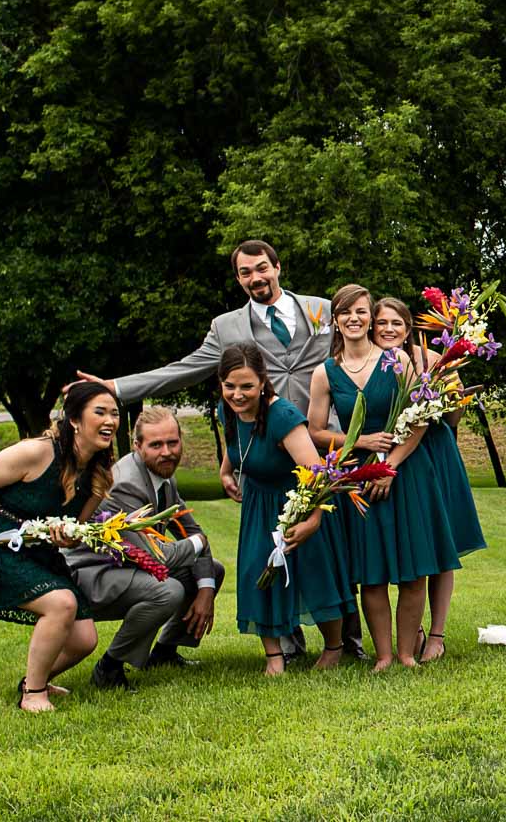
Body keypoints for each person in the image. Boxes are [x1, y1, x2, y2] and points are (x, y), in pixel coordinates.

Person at [74, 239, 363, 658]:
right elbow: (183, 371)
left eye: (261, 268)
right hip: (263, 459)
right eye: (245, 273)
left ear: (277, 267)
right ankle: (288, 644)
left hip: (319, 449)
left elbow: (363, 345)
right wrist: (116, 388)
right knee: (271, 550)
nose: (255, 278)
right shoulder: (227, 327)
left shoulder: (320, 310)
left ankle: (347, 643)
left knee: (333, 550)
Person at [307, 287, 459, 670]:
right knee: (371, 573)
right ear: (336, 321)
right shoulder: (324, 373)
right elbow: (315, 431)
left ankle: (407, 653)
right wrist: (357, 440)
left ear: (369, 317)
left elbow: (420, 419)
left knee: (413, 567)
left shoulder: (396, 360)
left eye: (361, 312)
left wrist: (388, 466)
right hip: (358, 477)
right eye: (346, 313)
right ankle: (384, 656)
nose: (354, 319)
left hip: (406, 472)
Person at [0, 382, 117, 712]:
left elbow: (77, 535)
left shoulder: (99, 476)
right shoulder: (36, 452)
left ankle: (32, 679)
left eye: (114, 413)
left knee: (85, 640)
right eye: (99, 412)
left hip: (41, 552)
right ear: (75, 419)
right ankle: (33, 695)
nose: (110, 421)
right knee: (61, 604)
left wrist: (67, 536)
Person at [218, 343, 355, 675]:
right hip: (258, 503)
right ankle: (274, 656)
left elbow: (316, 473)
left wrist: (314, 520)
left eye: (246, 386)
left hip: (300, 500)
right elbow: (236, 445)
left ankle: (334, 647)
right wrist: (226, 471)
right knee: (256, 571)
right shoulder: (228, 412)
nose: (237, 394)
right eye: (229, 386)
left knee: (314, 574)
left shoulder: (283, 417)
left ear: (263, 382)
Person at [64, 406, 222, 691]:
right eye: (156, 445)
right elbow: (159, 555)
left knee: (211, 571)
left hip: (127, 566)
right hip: (92, 574)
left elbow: (190, 529)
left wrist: (206, 589)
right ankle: (109, 668)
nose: (167, 452)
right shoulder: (127, 485)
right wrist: (200, 543)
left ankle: (164, 652)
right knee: (169, 590)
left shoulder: (163, 475)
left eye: (172, 443)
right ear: (137, 445)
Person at [368, 295, 484, 662]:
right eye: (382, 323)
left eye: (396, 323)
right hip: (395, 457)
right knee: (411, 544)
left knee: (439, 546)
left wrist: (445, 396)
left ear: (408, 329)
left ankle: (437, 634)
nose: (388, 329)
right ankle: (411, 628)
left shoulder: (432, 360)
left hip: (435, 453)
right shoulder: (371, 364)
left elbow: (454, 416)